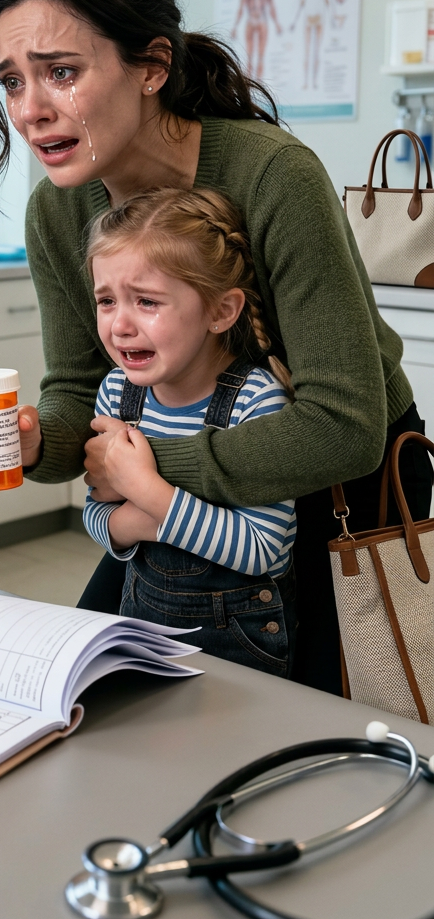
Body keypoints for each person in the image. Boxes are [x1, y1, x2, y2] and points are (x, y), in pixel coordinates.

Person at [0, 0, 431, 695]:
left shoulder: (273, 175)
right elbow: (77, 389)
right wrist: (40, 440)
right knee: (97, 699)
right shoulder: (57, 210)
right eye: (11, 82)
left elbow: (344, 424)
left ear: (153, 66)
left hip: (341, 484)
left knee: (325, 726)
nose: (31, 110)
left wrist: (137, 467)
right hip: (181, 485)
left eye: (61, 73)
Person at [83, 187, 296, 676]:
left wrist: (146, 492)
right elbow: (96, 513)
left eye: (147, 302)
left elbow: (262, 550)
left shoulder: (256, 401)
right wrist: (136, 524)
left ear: (221, 311)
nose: (120, 325)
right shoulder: (117, 393)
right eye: (107, 301)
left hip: (242, 645)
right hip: (143, 632)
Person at [231, 0, 281, 80]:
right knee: (249, 55)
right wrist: (235, 26)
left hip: (262, 19)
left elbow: (271, 5)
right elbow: (241, 7)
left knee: (261, 56)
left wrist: (277, 24)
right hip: (251, 19)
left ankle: (260, 86)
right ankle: (249, 90)